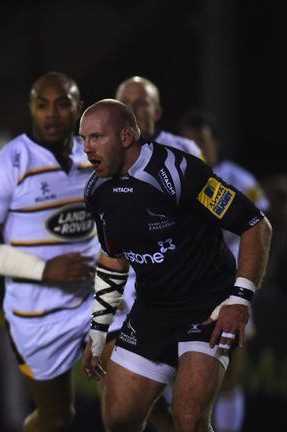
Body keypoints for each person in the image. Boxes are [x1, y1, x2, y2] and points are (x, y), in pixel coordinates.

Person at [80, 99, 272, 432]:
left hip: (207, 306)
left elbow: (256, 225)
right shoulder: (97, 190)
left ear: (126, 136)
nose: (86, 148)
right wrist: (98, 329)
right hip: (153, 310)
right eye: (83, 139)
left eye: (96, 137)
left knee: (189, 420)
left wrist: (239, 300)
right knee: (119, 420)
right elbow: (113, 257)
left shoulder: (178, 171)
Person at [0, 71, 97, 432]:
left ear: (78, 108)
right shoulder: (4, 167)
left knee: (136, 402)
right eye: (42, 105)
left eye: (62, 104)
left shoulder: (97, 156)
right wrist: (43, 269)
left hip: (100, 301)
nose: (52, 114)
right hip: (37, 313)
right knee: (56, 416)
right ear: (31, 110)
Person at [105, 76, 207, 431]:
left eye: (142, 101)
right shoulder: (97, 155)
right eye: (125, 103)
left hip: (179, 290)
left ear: (157, 110)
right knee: (122, 413)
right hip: (125, 294)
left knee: (189, 415)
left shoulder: (185, 152)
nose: (133, 109)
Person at [179, 109, 269, 432]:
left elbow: (262, 232)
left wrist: (249, 288)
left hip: (231, 287)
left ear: (214, 142)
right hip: (185, 289)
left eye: (201, 140)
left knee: (229, 375)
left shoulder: (239, 179)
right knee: (180, 376)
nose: (196, 147)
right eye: (188, 141)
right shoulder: (174, 181)